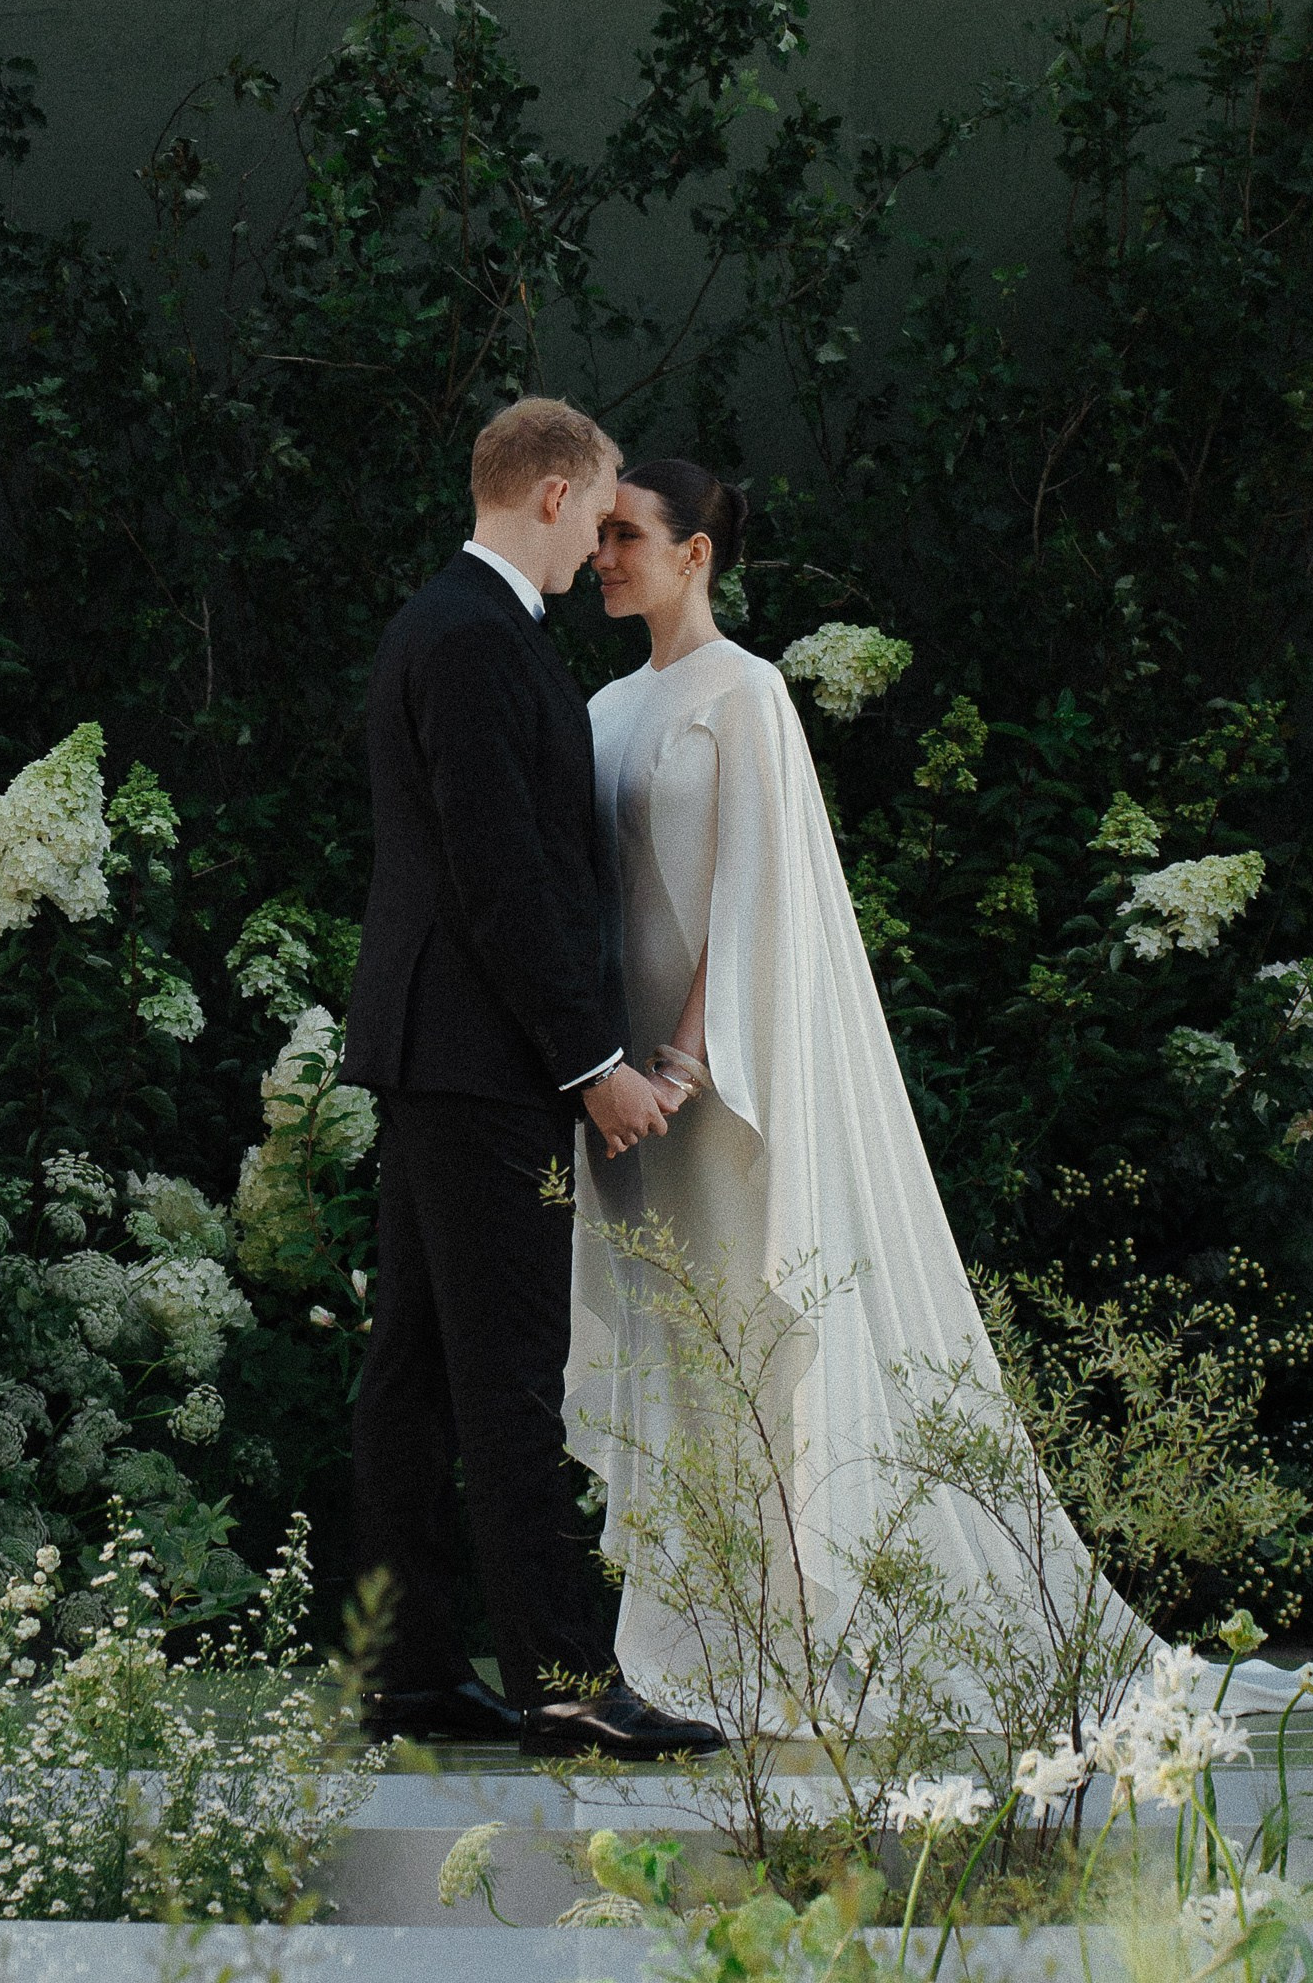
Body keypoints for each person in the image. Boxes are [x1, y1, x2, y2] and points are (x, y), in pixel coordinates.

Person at [568, 458, 1313, 1729]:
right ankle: (693, 1632)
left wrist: (684, 1065)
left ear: (693, 553)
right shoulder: (602, 706)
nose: (603, 555)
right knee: (678, 1337)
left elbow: (755, 901)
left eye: (625, 535)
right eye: (595, 536)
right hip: (624, 1092)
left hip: (715, 1085)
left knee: (756, 1326)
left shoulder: (746, 696)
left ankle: (808, 1625)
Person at [344, 398, 722, 1758]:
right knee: (507, 1374)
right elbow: (504, 885)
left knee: (420, 1371)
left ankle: (406, 1674)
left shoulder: (456, 626)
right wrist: (595, 1067)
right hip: (483, 1061)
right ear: (553, 494)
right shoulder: (477, 639)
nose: (600, 549)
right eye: (602, 514)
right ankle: (564, 1678)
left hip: (443, 1052)